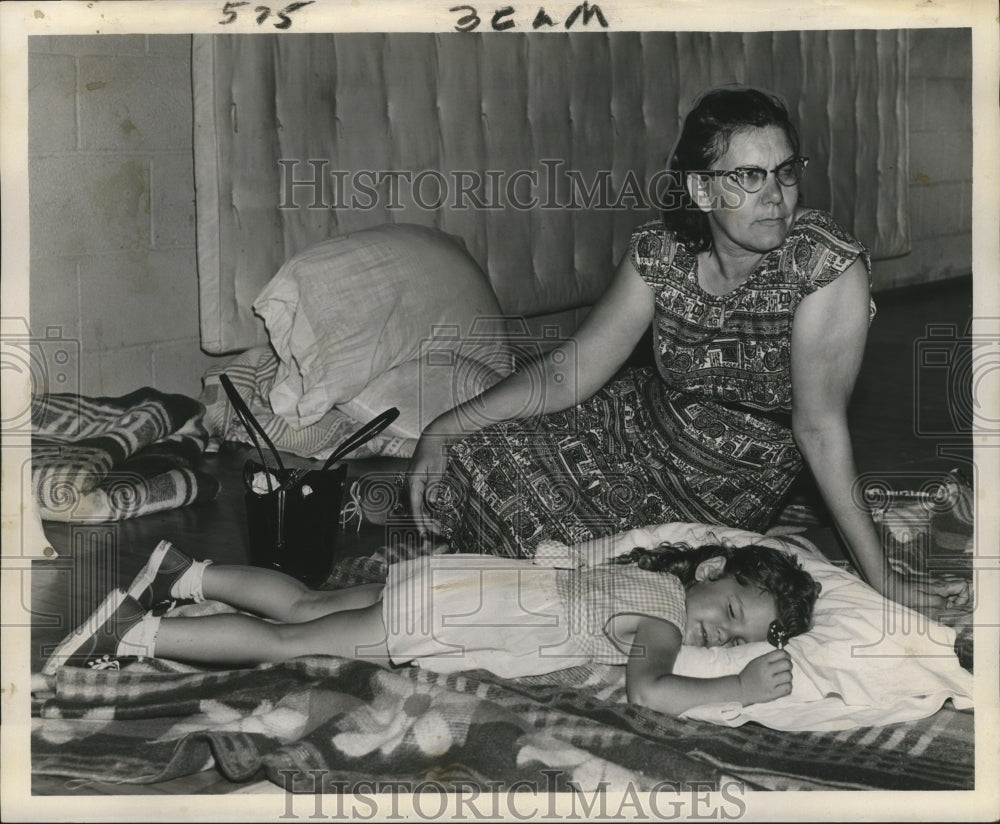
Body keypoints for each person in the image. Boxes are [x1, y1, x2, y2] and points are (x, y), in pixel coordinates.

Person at [406, 85, 957, 615]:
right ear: (701, 190)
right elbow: (570, 371)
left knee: (583, 560)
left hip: (716, 490)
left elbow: (818, 428)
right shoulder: (660, 251)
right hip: (626, 426)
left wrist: (882, 579)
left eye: (785, 171)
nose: (774, 195)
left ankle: (467, 592)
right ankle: (453, 587)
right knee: (470, 456)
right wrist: (446, 426)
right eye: (747, 176)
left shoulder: (824, 267)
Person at [44, 540, 820, 716]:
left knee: (312, 604)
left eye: (736, 639)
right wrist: (734, 686)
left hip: (470, 581)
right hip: (465, 613)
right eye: (725, 617)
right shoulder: (663, 619)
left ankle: (184, 572)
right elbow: (649, 691)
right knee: (295, 640)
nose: (717, 636)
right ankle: (135, 635)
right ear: (711, 574)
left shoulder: (651, 573)